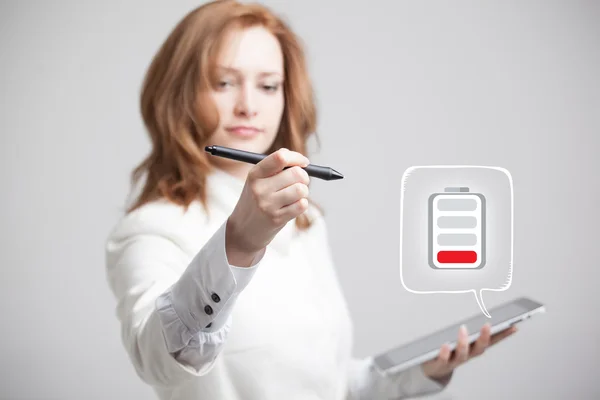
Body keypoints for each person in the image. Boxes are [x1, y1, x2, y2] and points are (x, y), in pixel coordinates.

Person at [104, 1, 517, 399]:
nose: (248, 106)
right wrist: (239, 245)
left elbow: (331, 385)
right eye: (224, 82)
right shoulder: (151, 229)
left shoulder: (305, 221)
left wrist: (425, 369)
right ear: (180, 94)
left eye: (268, 85)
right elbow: (158, 359)